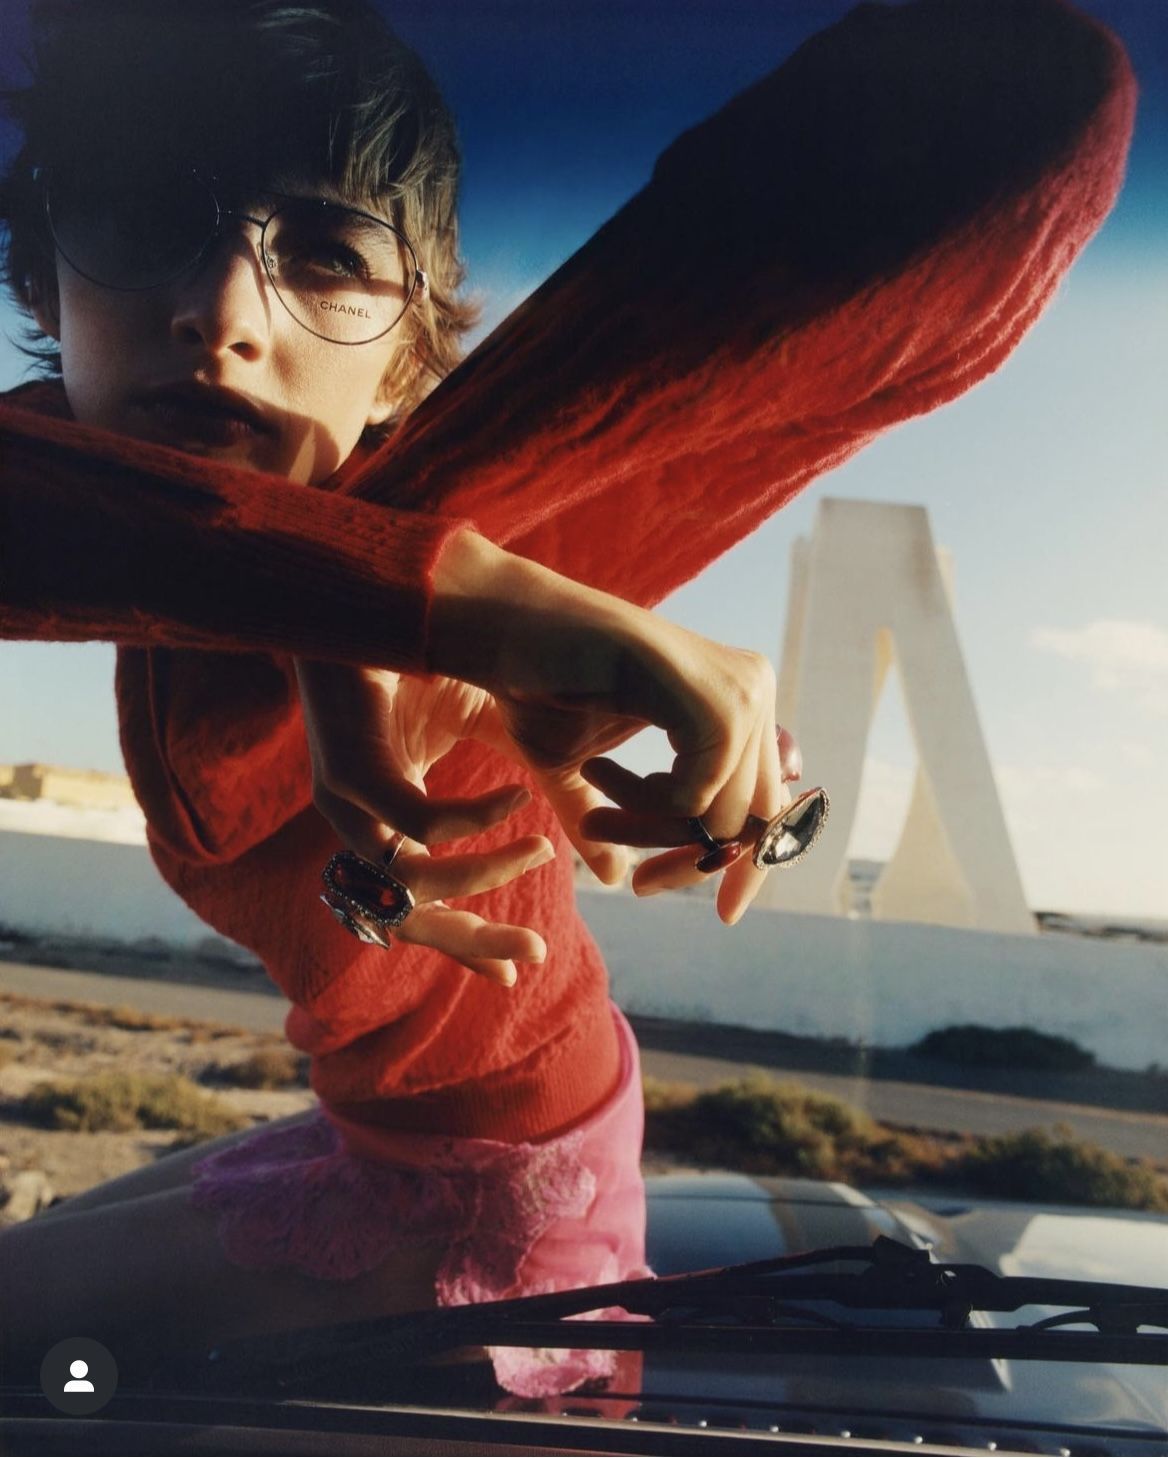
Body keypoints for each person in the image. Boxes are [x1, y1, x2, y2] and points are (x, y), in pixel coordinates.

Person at [0, 0, 1133, 1395]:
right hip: (409, 1135)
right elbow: (126, 531)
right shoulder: (255, 534)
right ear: (41, 280)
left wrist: (467, 618)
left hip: (488, 1190)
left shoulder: (454, 512)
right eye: (141, 219)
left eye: (330, 256)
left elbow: (1048, 94)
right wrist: (421, 602)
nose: (223, 315)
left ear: (407, 352)